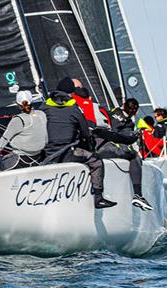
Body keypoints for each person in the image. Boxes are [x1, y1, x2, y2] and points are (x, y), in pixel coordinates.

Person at [42, 78, 116, 209]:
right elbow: (85, 133)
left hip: (48, 153)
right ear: (70, 93)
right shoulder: (73, 108)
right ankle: (98, 198)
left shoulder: (44, 107)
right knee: (96, 161)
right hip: (68, 153)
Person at [96, 98, 154, 211]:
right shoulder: (129, 123)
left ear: (123, 105)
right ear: (135, 112)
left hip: (96, 146)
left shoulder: (111, 111)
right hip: (107, 148)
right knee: (134, 156)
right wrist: (134, 135)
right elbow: (124, 138)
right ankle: (138, 195)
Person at [0, 90, 47, 171]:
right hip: (39, 157)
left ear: (17, 104)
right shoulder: (41, 114)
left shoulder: (18, 120)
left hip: (21, 159)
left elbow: (2, 143)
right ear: (32, 102)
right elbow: (46, 139)